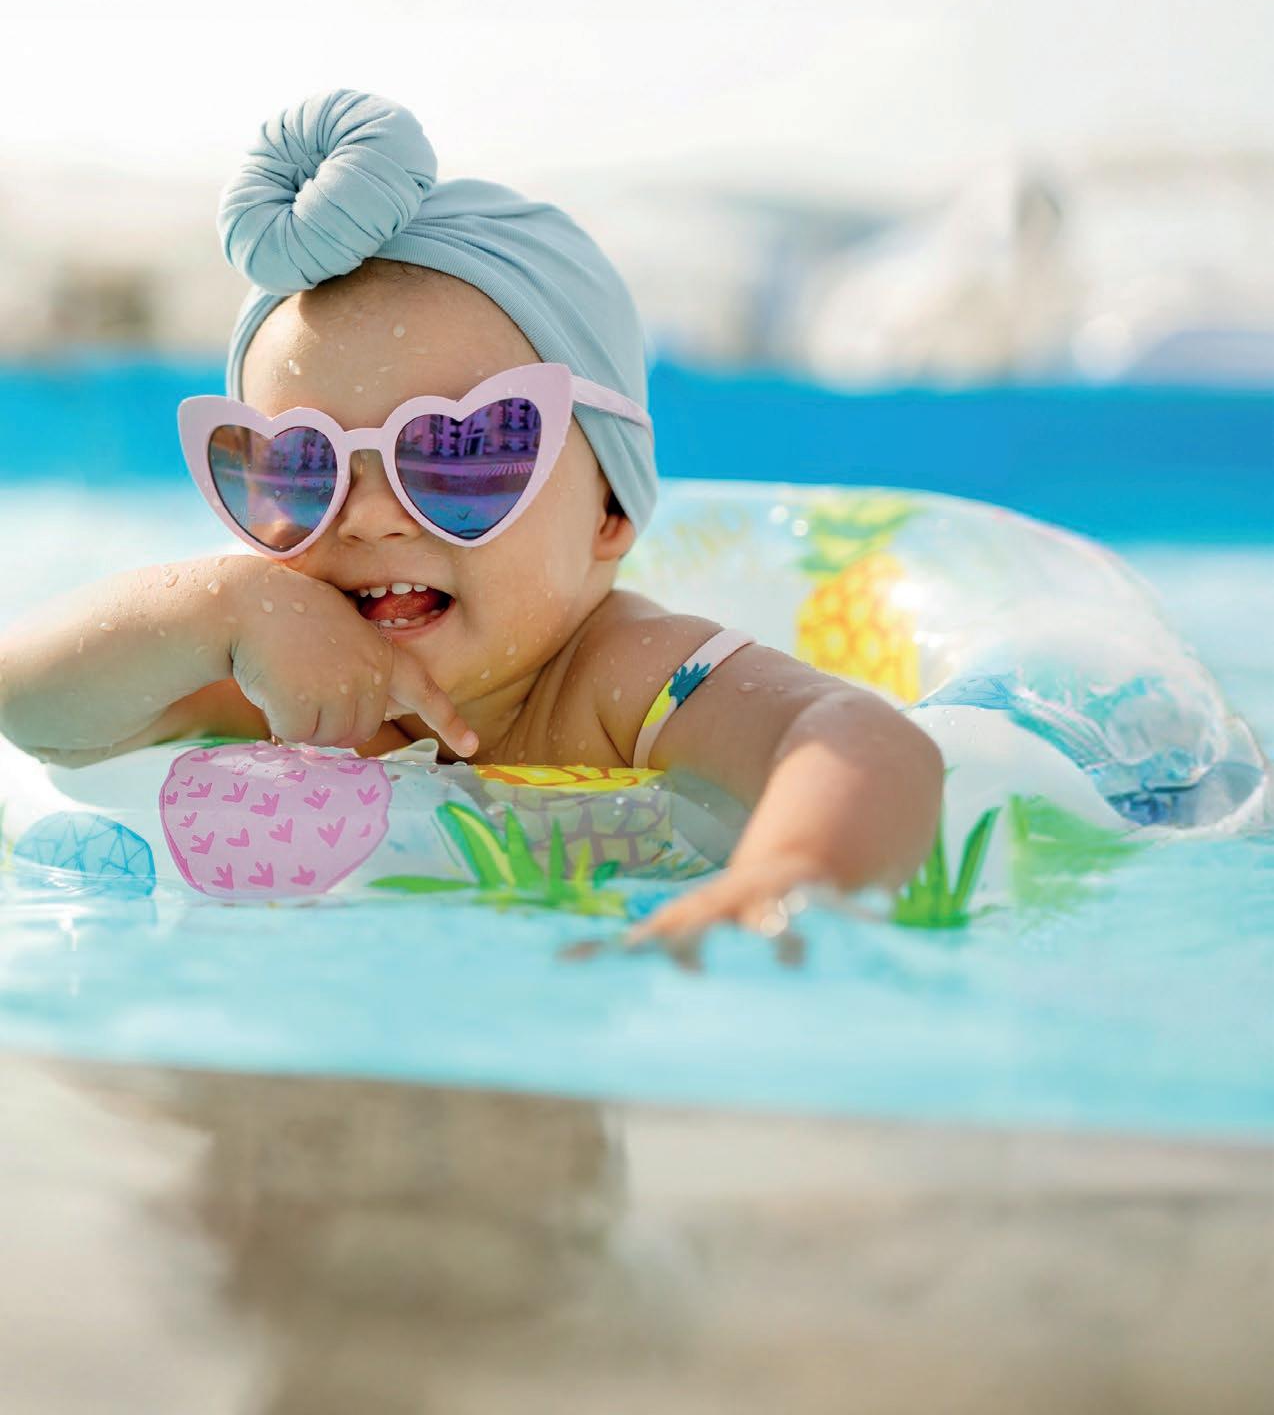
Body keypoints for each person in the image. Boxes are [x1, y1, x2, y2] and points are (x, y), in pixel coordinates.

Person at [0, 89, 942, 944]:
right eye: (302, 468)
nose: (369, 517)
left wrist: (791, 871)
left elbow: (847, 732)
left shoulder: (621, 679)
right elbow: (28, 702)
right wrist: (222, 607)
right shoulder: (279, 675)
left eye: (460, 452)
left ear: (608, 512)